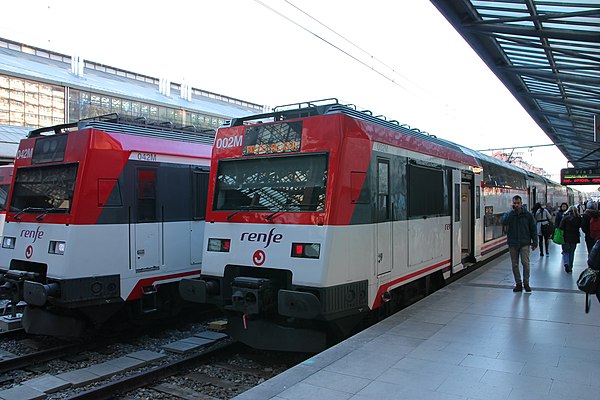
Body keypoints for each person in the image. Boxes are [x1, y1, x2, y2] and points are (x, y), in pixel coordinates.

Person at [502, 195, 537, 292]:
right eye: (514, 203)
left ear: (521, 204)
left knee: (525, 263)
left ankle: (526, 283)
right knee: (515, 265)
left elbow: (533, 228)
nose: (516, 205)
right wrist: (511, 212)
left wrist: (535, 242)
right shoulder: (509, 214)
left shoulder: (528, 215)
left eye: (518, 203)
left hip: (524, 242)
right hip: (513, 243)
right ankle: (518, 283)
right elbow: (503, 222)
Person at [559, 205, 581, 273]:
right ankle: (570, 266)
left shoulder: (565, 218)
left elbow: (561, 227)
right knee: (572, 252)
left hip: (565, 237)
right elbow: (580, 225)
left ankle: (566, 263)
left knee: (565, 252)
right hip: (574, 237)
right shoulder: (578, 218)